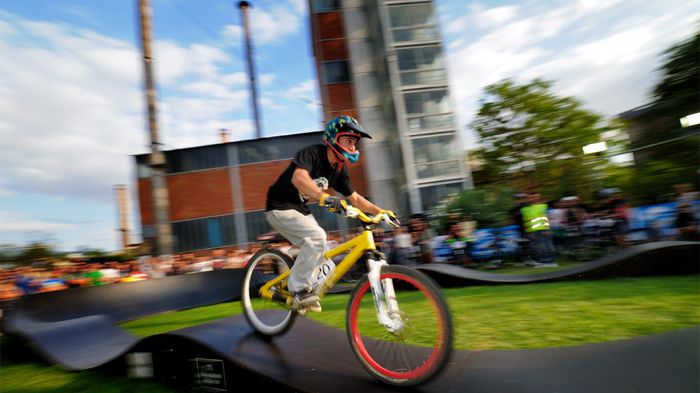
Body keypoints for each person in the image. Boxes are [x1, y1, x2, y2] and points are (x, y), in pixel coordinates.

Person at [265, 115, 397, 313]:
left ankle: (302, 295)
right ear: (334, 138)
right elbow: (299, 178)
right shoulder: (313, 154)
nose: (353, 147)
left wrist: (381, 212)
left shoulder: (338, 171)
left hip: (300, 210)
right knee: (318, 237)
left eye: (355, 143)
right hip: (279, 206)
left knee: (321, 254)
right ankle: (298, 290)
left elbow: (357, 199)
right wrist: (323, 197)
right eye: (349, 141)